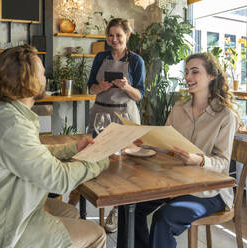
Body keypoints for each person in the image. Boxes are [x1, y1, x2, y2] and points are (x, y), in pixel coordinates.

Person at [0, 45, 109, 248]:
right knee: (97, 234)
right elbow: (59, 180)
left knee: (71, 212)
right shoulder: (12, 124)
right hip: (5, 226)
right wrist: (99, 160)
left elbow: (32, 155)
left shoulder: (4, 112)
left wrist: (72, 148)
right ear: (26, 79)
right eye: (42, 72)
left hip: (2, 206)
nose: (45, 76)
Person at [117, 52, 240, 248]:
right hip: (175, 183)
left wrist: (199, 160)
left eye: (195, 72)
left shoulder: (225, 116)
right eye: (186, 72)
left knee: (163, 218)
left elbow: (223, 163)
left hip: (209, 192)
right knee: (129, 206)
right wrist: (142, 141)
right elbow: (164, 145)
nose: (188, 77)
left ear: (211, 76)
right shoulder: (178, 109)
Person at [68, 18, 146, 233]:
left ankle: (116, 211)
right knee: (92, 159)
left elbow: (139, 95)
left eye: (118, 35)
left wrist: (126, 87)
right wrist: (100, 87)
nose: (114, 39)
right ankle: (75, 207)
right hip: (100, 114)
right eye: (110, 35)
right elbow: (90, 88)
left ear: (127, 35)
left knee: (124, 168)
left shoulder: (137, 61)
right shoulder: (100, 57)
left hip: (125, 115)